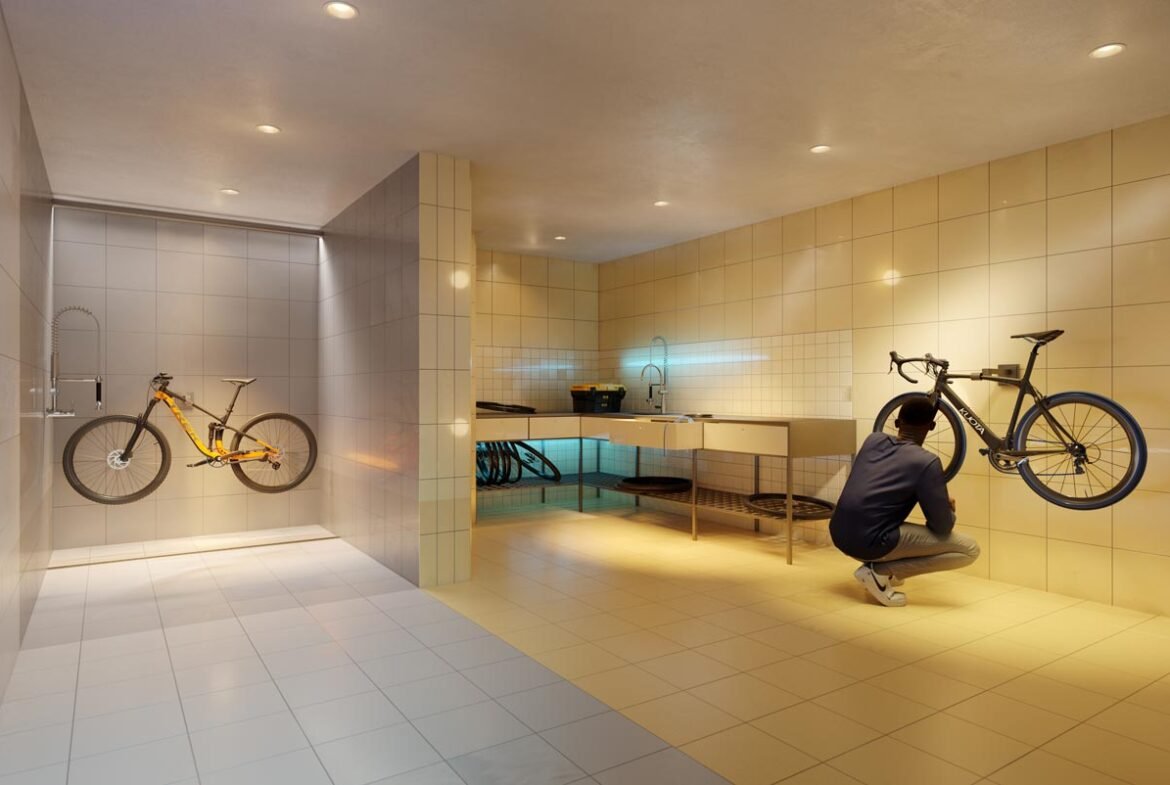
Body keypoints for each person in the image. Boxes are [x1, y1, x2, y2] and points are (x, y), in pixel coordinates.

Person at [829, 397, 980, 606]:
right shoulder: (927, 462)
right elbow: (942, 526)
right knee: (969, 549)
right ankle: (879, 572)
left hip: (838, 532)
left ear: (897, 423)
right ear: (932, 426)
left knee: (884, 522)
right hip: (870, 541)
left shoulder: (873, 440)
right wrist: (947, 506)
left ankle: (881, 569)